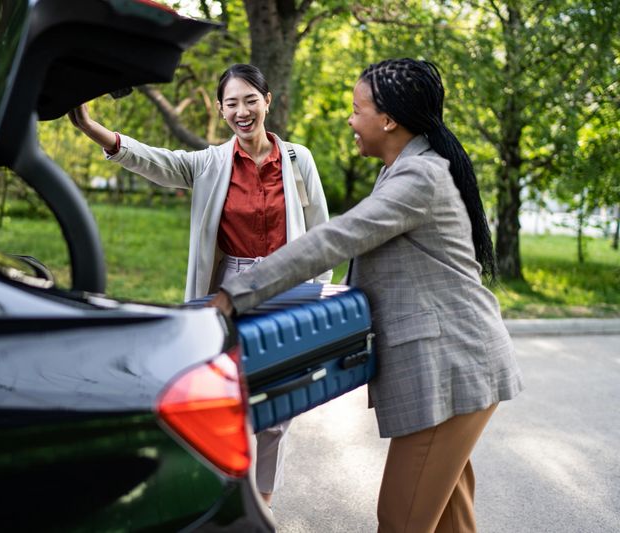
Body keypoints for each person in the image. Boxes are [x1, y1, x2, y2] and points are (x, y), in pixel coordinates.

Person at [209, 58, 524, 532]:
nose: (350, 121)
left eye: (357, 110)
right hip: (460, 367)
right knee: (448, 522)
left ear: (389, 119)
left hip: (453, 370)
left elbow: (336, 238)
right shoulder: (405, 169)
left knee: (399, 521)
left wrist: (235, 294)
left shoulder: (418, 177)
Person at [68, 63, 332, 507]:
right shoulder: (209, 163)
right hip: (229, 291)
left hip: (287, 287)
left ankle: (260, 503)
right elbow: (154, 161)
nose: (242, 111)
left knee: (279, 404)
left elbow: (322, 233)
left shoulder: (296, 159)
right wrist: (93, 128)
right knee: (224, 395)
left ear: (268, 101)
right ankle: (223, 495)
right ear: (221, 109)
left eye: (251, 100)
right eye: (232, 103)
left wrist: (314, 295)